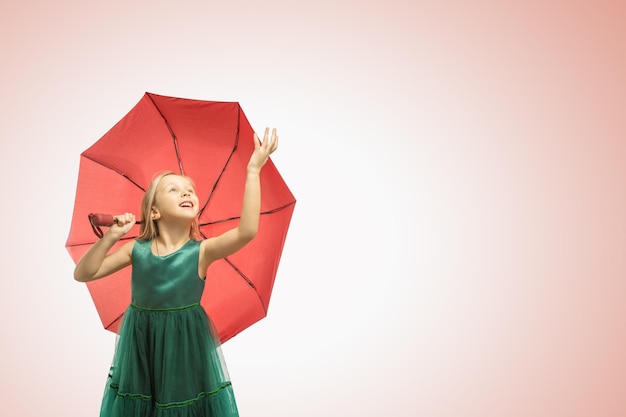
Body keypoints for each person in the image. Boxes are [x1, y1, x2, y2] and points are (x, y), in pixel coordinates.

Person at [74, 127, 279, 417]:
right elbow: (84, 273)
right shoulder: (136, 249)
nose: (186, 193)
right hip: (141, 340)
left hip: (184, 341)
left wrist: (253, 170)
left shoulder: (202, 251)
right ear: (154, 211)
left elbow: (247, 231)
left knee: (183, 405)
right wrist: (109, 237)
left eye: (190, 191)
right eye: (173, 189)